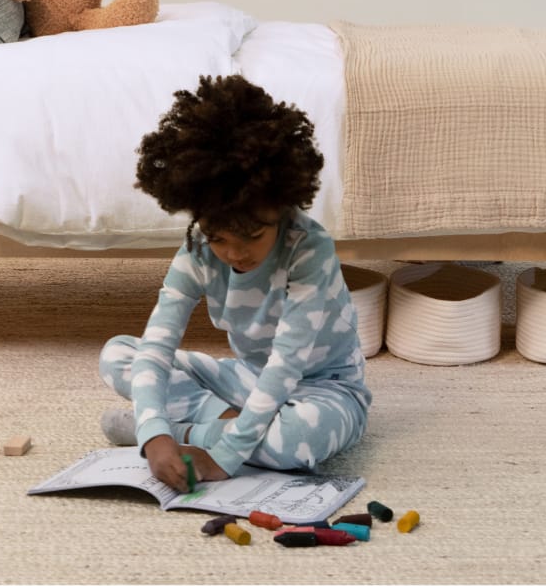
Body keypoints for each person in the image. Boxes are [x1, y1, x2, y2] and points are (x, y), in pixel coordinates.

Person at [97, 74, 371, 492]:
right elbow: (157, 345)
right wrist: (155, 435)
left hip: (322, 390)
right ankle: (196, 425)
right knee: (117, 354)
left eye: (252, 236)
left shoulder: (309, 250)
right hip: (246, 378)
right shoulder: (199, 250)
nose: (235, 253)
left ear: (281, 206)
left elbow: (286, 365)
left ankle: (187, 431)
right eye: (219, 237)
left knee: (295, 440)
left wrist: (222, 456)